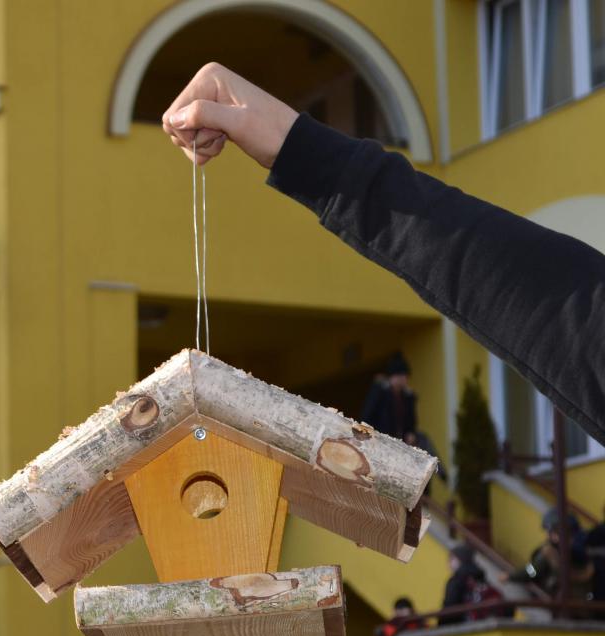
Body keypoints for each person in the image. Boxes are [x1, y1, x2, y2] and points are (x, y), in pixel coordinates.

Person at [160, 64, 605, 447]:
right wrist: (298, 148)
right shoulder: (386, 394)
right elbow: (547, 301)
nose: (405, 382)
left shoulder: (405, 397)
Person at [505, 509, 593, 601]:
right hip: (582, 602)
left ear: (554, 533)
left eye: (548, 531)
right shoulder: (585, 549)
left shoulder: (550, 551)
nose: (547, 535)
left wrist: (511, 576)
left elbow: (533, 571)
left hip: (558, 601)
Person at [361, 353, 417, 444]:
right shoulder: (380, 392)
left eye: (405, 377)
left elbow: (411, 421)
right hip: (380, 439)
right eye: (402, 376)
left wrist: (410, 432)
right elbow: (368, 415)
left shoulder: (408, 397)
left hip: (400, 441)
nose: (405, 379)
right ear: (394, 376)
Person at [441, 544, 503, 624]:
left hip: (463, 626)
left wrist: (441, 627)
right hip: (484, 624)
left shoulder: (456, 581)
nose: (448, 562)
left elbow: (450, 607)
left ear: (460, 559)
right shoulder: (480, 577)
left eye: (451, 558)